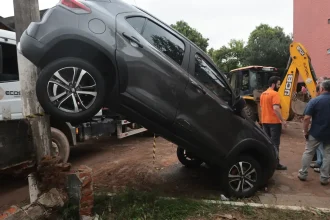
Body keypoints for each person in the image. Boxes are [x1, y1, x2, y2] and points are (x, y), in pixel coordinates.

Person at [298, 80, 330, 185]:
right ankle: (324, 178)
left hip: (315, 132)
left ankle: (303, 174)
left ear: (321, 89)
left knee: (308, 152)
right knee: (327, 155)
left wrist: (305, 132)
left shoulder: (315, 101)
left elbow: (307, 118)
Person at [260, 76, 287, 170]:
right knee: (275, 144)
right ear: (273, 84)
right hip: (274, 122)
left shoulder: (263, 94)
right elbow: (276, 108)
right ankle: (276, 164)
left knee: (267, 142)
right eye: (278, 84)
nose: (279, 86)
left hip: (264, 121)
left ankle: (266, 162)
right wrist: (283, 120)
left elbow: (261, 108)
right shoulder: (275, 94)